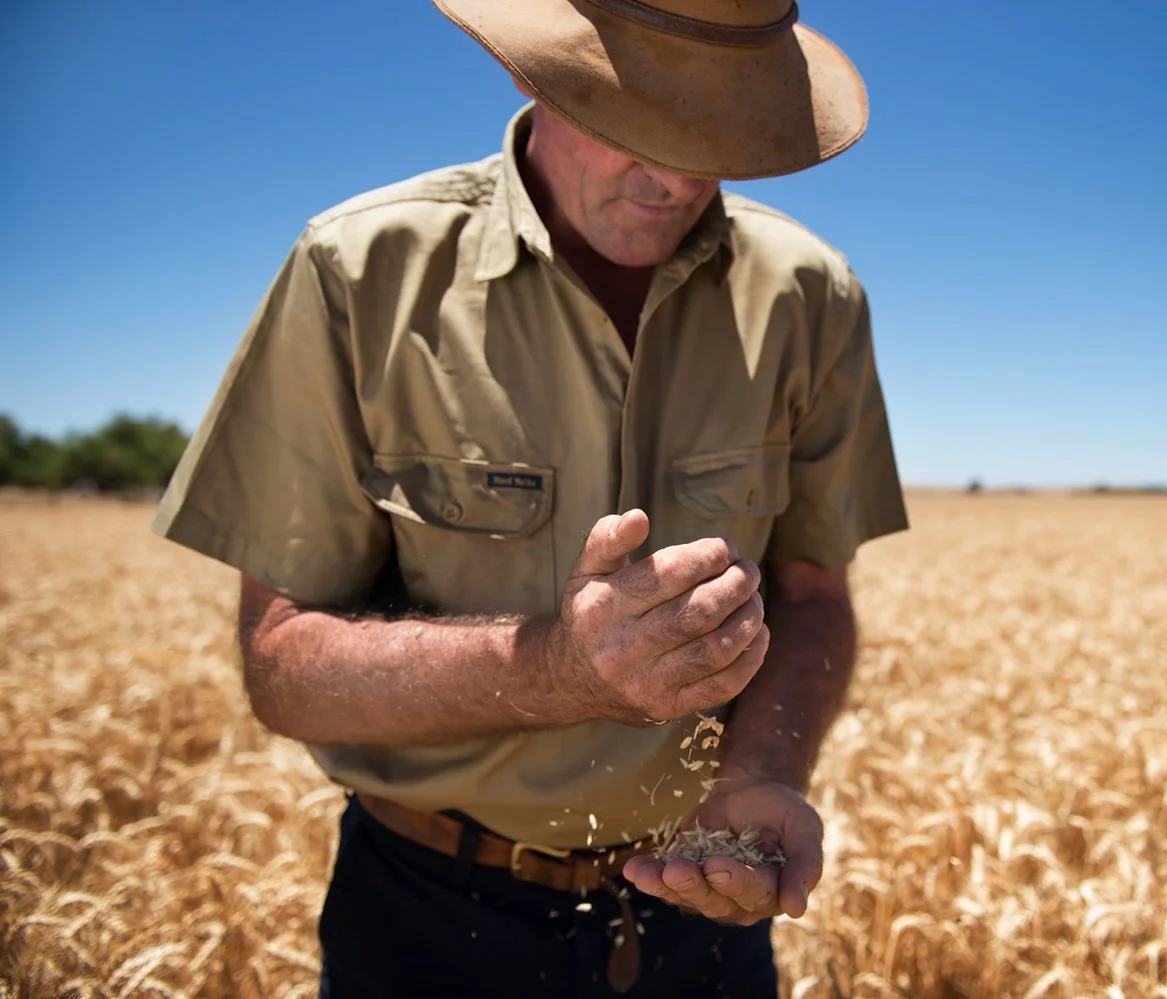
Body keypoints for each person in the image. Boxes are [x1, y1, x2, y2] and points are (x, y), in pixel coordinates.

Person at [152, 0, 906, 994]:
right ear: (532, 74)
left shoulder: (813, 296)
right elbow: (281, 665)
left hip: (707, 916)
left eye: (714, 131)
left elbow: (813, 599)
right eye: (637, 120)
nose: (675, 176)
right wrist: (558, 669)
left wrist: (757, 776)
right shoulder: (360, 272)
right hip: (425, 913)